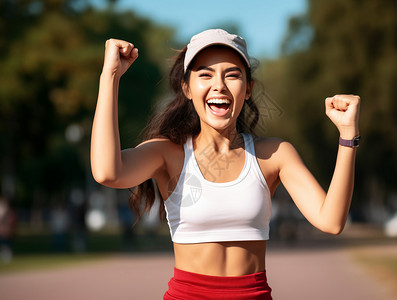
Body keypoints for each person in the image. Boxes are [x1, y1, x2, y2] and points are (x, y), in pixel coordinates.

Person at [91, 29, 360, 299]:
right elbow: (107, 173)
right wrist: (110, 76)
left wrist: (348, 136)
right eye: (205, 74)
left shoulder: (275, 154)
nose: (219, 85)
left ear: (248, 89)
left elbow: (331, 221)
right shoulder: (168, 153)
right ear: (186, 88)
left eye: (232, 74)